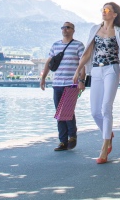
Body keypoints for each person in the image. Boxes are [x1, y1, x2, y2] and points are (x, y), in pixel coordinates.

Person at [73, 3, 120, 164]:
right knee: (94, 112)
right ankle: (108, 133)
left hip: (111, 70)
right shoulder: (95, 29)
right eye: (102, 10)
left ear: (114, 14)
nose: (103, 12)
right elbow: (87, 53)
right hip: (96, 71)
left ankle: (105, 147)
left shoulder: (119, 32)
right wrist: (78, 70)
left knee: (106, 107)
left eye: (107, 10)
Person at [41, 22, 86, 151]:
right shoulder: (55, 45)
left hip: (71, 82)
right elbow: (49, 62)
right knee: (59, 112)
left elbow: (82, 64)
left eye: (68, 27)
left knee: (67, 110)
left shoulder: (78, 45)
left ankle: (72, 136)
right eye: (63, 27)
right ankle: (62, 141)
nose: (65, 29)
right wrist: (43, 78)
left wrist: (81, 80)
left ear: (73, 30)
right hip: (57, 83)